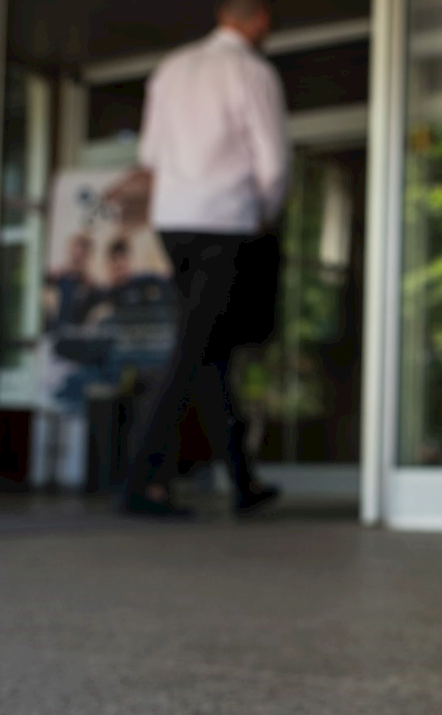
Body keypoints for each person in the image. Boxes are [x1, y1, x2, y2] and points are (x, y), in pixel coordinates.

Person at [118, 0, 286, 517]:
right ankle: (140, 481)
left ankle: (242, 480)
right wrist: (266, 213)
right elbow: (273, 160)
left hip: (175, 223)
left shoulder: (171, 68)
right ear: (257, 20)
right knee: (193, 349)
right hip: (226, 222)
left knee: (208, 350)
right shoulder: (252, 71)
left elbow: (149, 154)